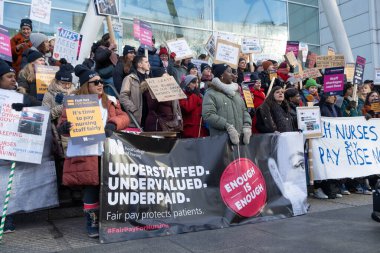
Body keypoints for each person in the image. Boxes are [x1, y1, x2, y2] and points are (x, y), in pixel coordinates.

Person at [57, 65, 130, 238]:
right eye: (95, 82)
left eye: (101, 81)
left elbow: (125, 117)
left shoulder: (110, 99)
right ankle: (93, 221)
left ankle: (110, 220)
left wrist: (114, 123)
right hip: (87, 151)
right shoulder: (73, 103)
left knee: (110, 186)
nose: (100, 85)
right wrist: (65, 127)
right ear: (85, 86)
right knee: (91, 186)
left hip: (108, 151)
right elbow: (62, 126)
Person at [0, 60, 42, 233]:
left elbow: (40, 109)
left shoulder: (20, 96)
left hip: (11, 147)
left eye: (14, 77)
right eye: (9, 76)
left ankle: (7, 219)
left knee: (8, 186)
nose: (13, 79)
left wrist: (26, 106)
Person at [202, 64, 252, 145]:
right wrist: (228, 127)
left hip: (240, 142)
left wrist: (247, 125)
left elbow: (244, 111)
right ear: (221, 75)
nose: (232, 74)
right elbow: (208, 115)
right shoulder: (210, 93)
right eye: (229, 72)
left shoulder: (236, 93)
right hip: (221, 143)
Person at [142, 68, 183, 132]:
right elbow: (152, 107)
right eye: (164, 78)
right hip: (157, 125)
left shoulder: (170, 89)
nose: (167, 79)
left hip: (170, 125)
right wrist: (159, 95)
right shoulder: (150, 90)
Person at [120, 55, 150, 128]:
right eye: (146, 62)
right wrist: (133, 109)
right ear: (139, 65)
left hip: (148, 116)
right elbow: (123, 96)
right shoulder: (129, 78)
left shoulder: (149, 79)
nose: (148, 64)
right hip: (137, 118)